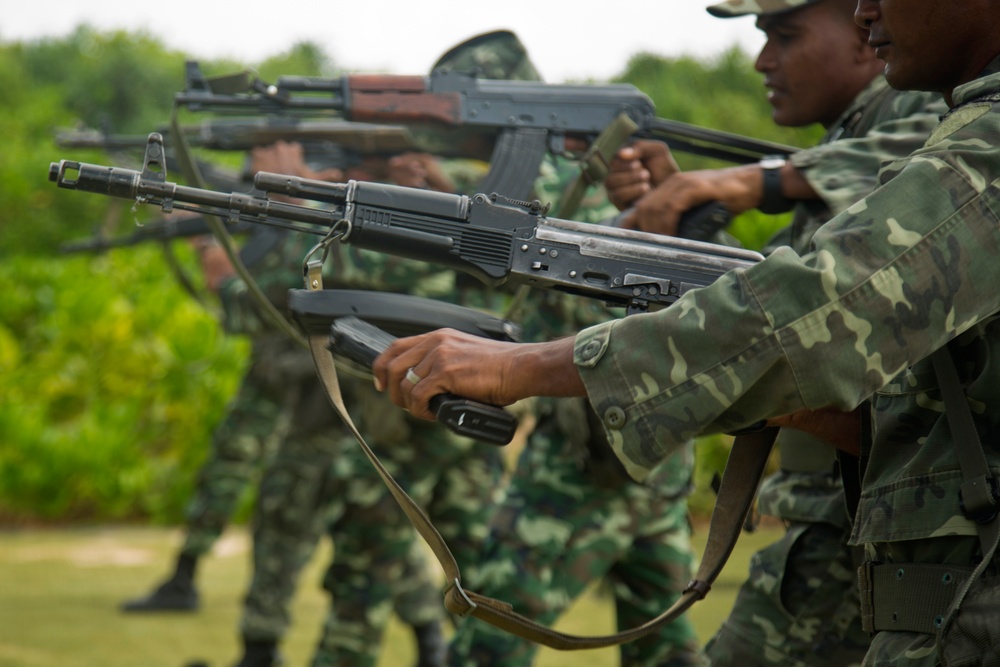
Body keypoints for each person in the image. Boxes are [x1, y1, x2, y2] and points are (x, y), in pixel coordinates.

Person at [372, 0, 1000, 664]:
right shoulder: (953, 124)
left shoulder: (972, 137)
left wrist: (524, 368)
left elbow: (823, 304)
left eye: (784, 34)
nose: (867, 9)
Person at [603, 0, 945, 663]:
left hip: (869, 520)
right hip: (844, 514)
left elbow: (946, 158)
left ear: (862, 30)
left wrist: (756, 182)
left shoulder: (911, 109)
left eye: (784, 35)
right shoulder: (853, 132)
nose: (763, 61)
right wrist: (680, 227)